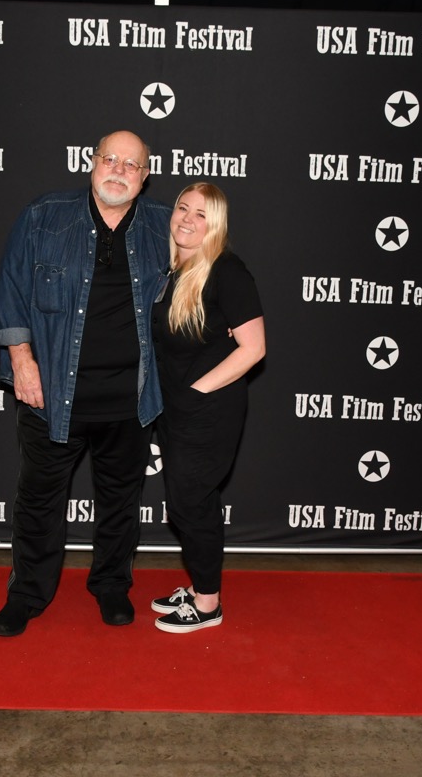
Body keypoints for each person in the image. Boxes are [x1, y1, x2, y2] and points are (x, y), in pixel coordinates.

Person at [0, 130, 172, 636]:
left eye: (131, 165)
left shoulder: (164, 227)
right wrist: (21, 361)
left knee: (121, 501)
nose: (118, 170)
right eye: (109, 159)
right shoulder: (44, 215)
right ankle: (27, 594)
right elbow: (11, 289)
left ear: (145, 176)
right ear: (91, 164)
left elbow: (197, 289)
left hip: (131, 400)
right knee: (39, 501)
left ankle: (112, 586)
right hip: (52, 397)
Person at [149, 182, 265, 633]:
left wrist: (198, 392)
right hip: (177, 411)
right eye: (182, 208)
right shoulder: (176, 271)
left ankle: (207, 604)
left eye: (201, 214)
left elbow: (253, 348)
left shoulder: (228, 272)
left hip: (209, 412)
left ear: (214, 224)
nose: (187, 219)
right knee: (186, 503)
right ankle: (200, 585)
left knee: (190, 504)